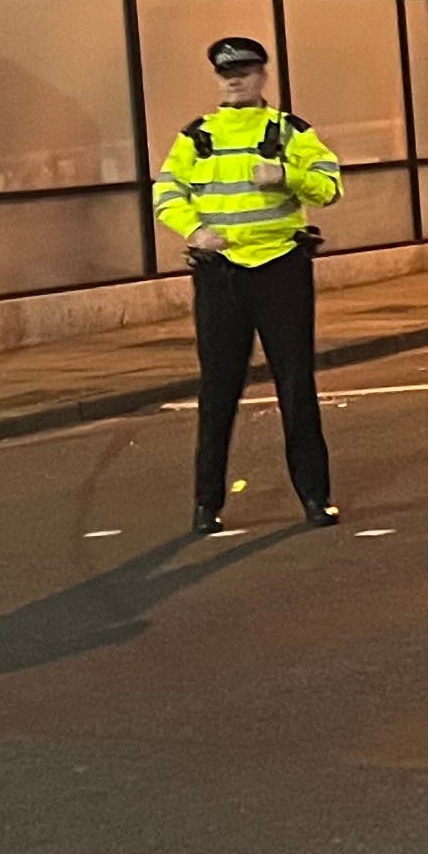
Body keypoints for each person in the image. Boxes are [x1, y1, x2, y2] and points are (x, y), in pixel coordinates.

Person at [152, 36, 345, 534]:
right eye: (226, 73)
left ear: (263, 75)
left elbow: (330, 187)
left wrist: (285, 176)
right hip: (221, 276)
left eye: (244, 71)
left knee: (296, 385)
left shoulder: (290, 131)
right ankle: (205, 504)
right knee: (218, 390)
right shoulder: (197, 136)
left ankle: (315, 497)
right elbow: (166, 191)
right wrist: (194, 232)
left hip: (281, 268)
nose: (234, 79)